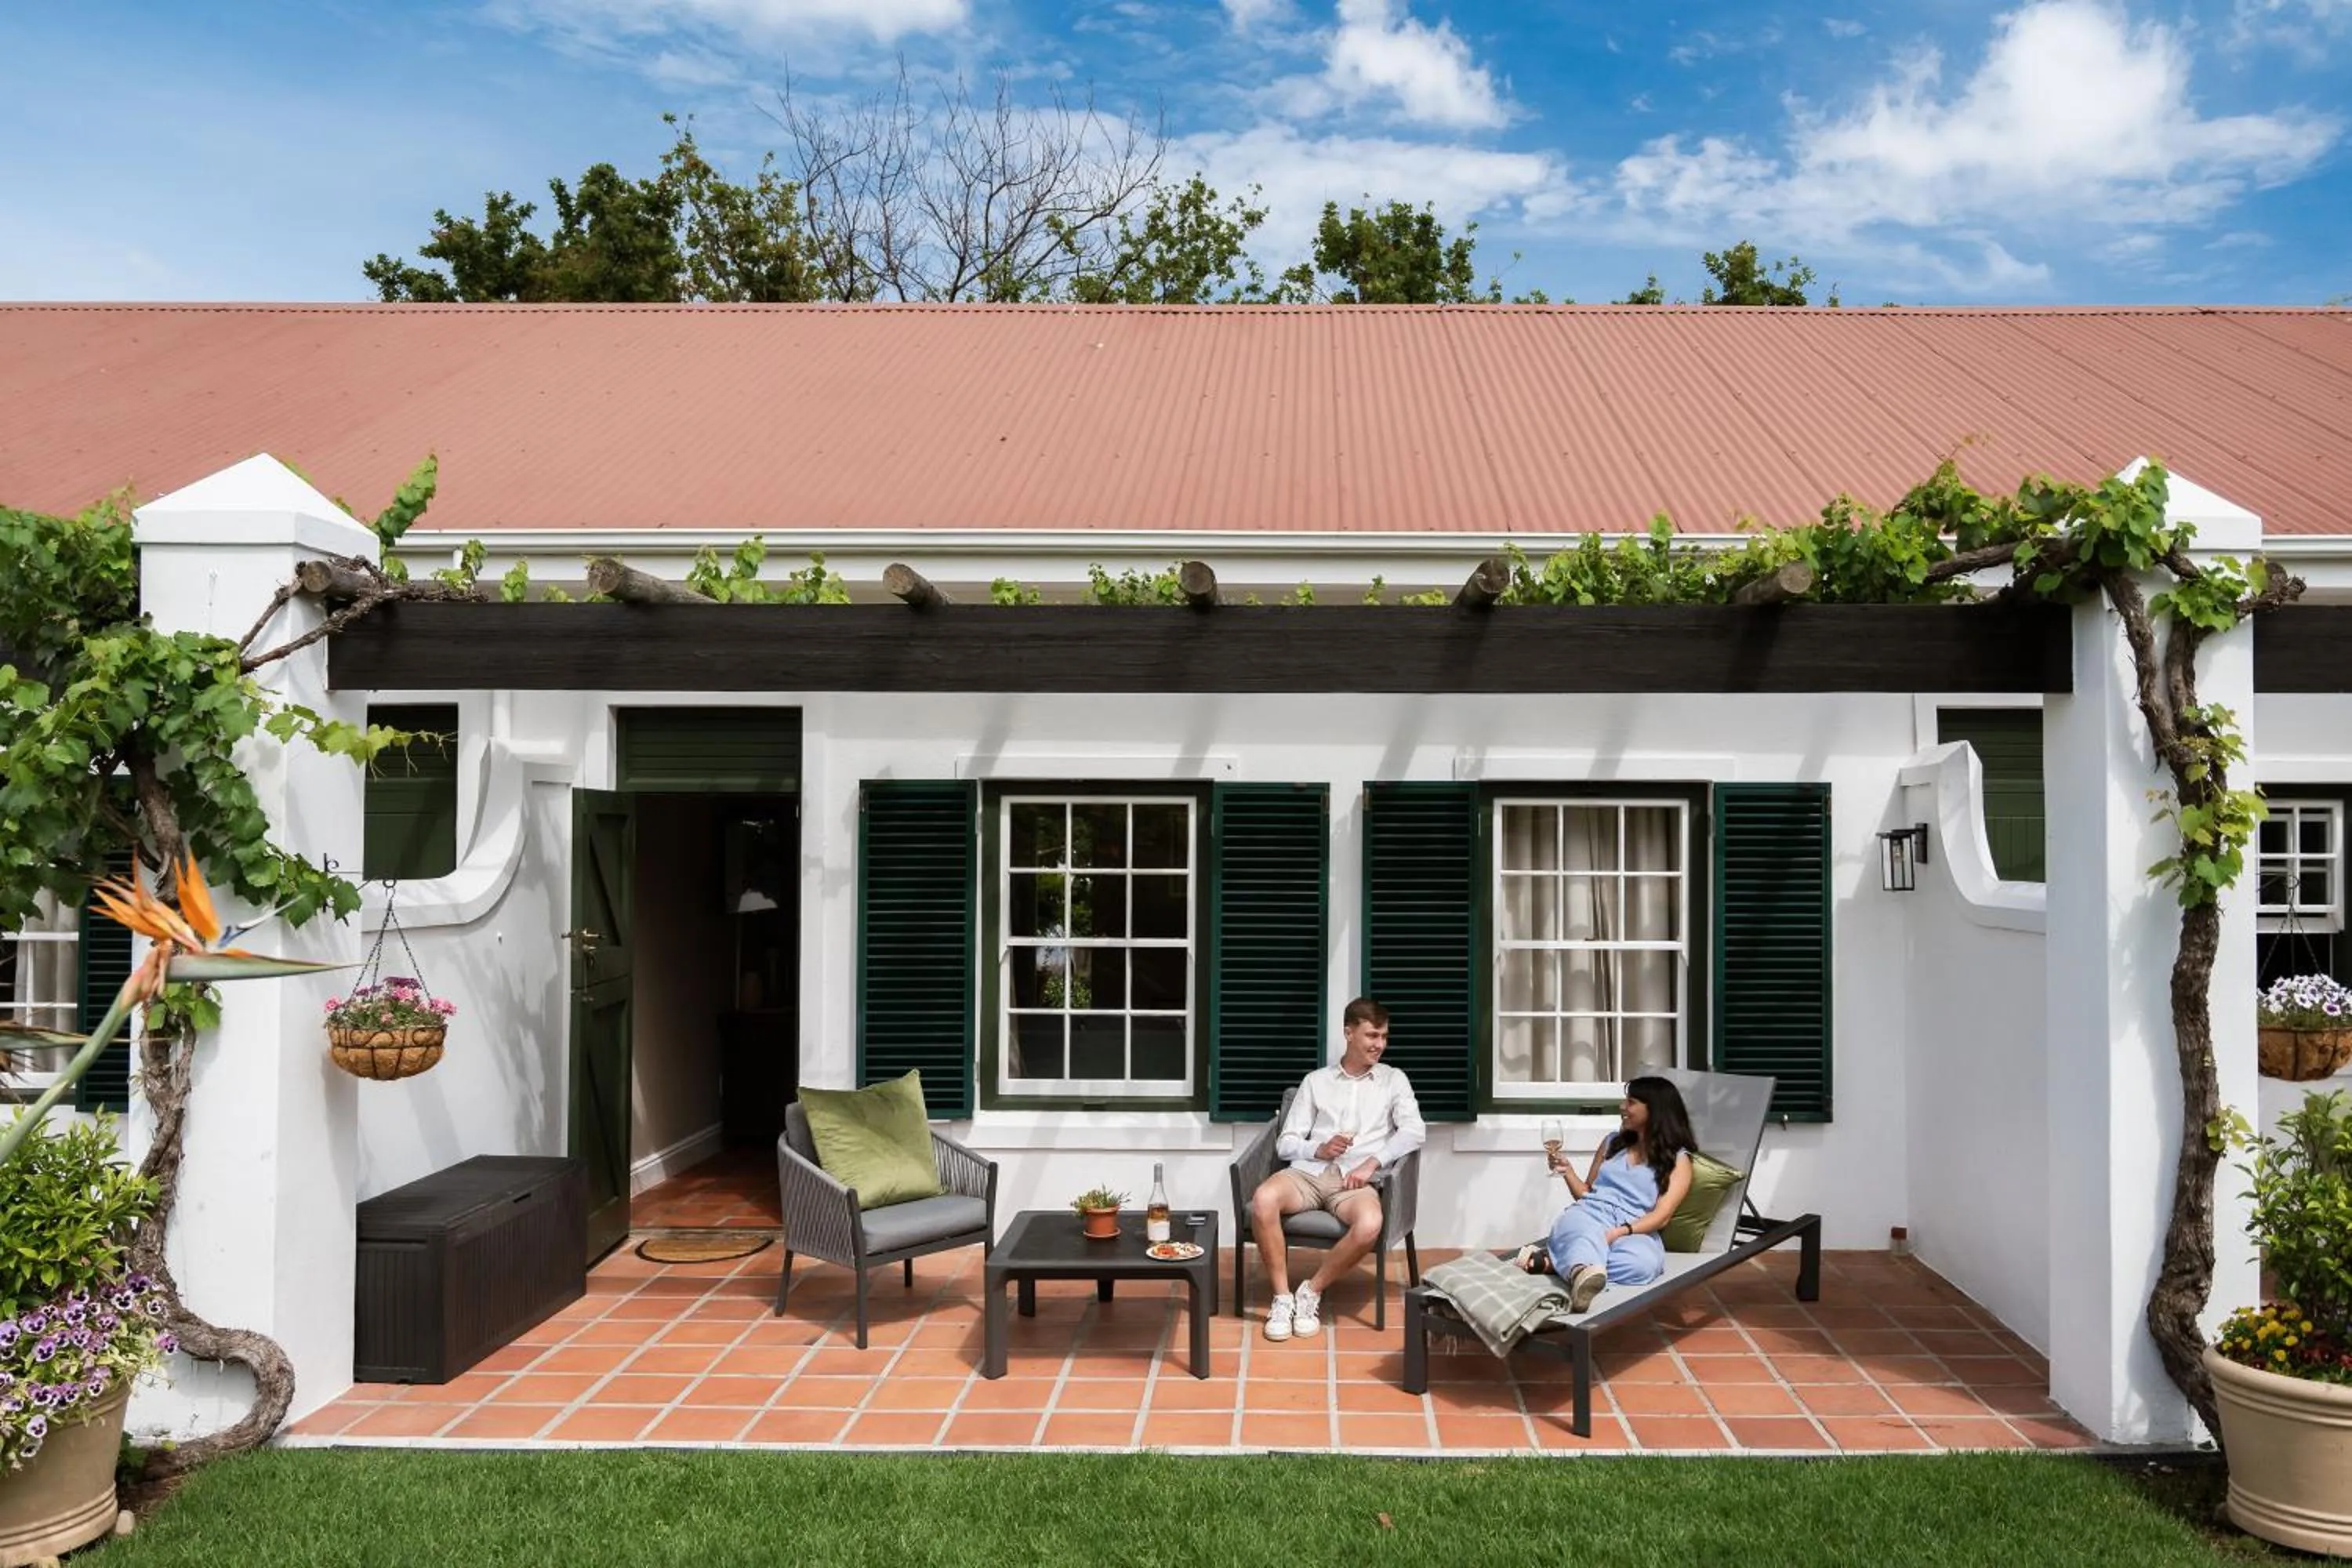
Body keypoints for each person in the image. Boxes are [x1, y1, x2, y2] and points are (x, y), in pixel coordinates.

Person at [1246, 996, 1426, 1341]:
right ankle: (1282, 1300)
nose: (1380, 1045)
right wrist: (1319, 1148)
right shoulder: (1316, 1081)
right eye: (1372, 1036)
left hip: (1356, 1181)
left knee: (1371, 1223)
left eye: (1384, 1037)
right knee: (1264, 1198)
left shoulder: (1393, 1081)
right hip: (1310, 1174)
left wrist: (1373, 1162)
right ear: (1349, 1033)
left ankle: (1310, 1292)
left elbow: (1415, 1131)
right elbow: (1286, 1142)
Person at [1523, 1076, 1697, 1314]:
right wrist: (1568, 1172)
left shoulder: (1679, 1160)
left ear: (1654, 1111)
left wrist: (1620, 1232)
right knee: (1580, 1231)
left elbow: (1662, 1216)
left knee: (1643, 1264)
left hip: (1635, 1227)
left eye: (1631, 1102)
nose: (1623, 1107)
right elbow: (1586, 1193)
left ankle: (1560, 1262)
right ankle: (1577, 1271)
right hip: (1590, 1214)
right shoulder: (1612, 1142)